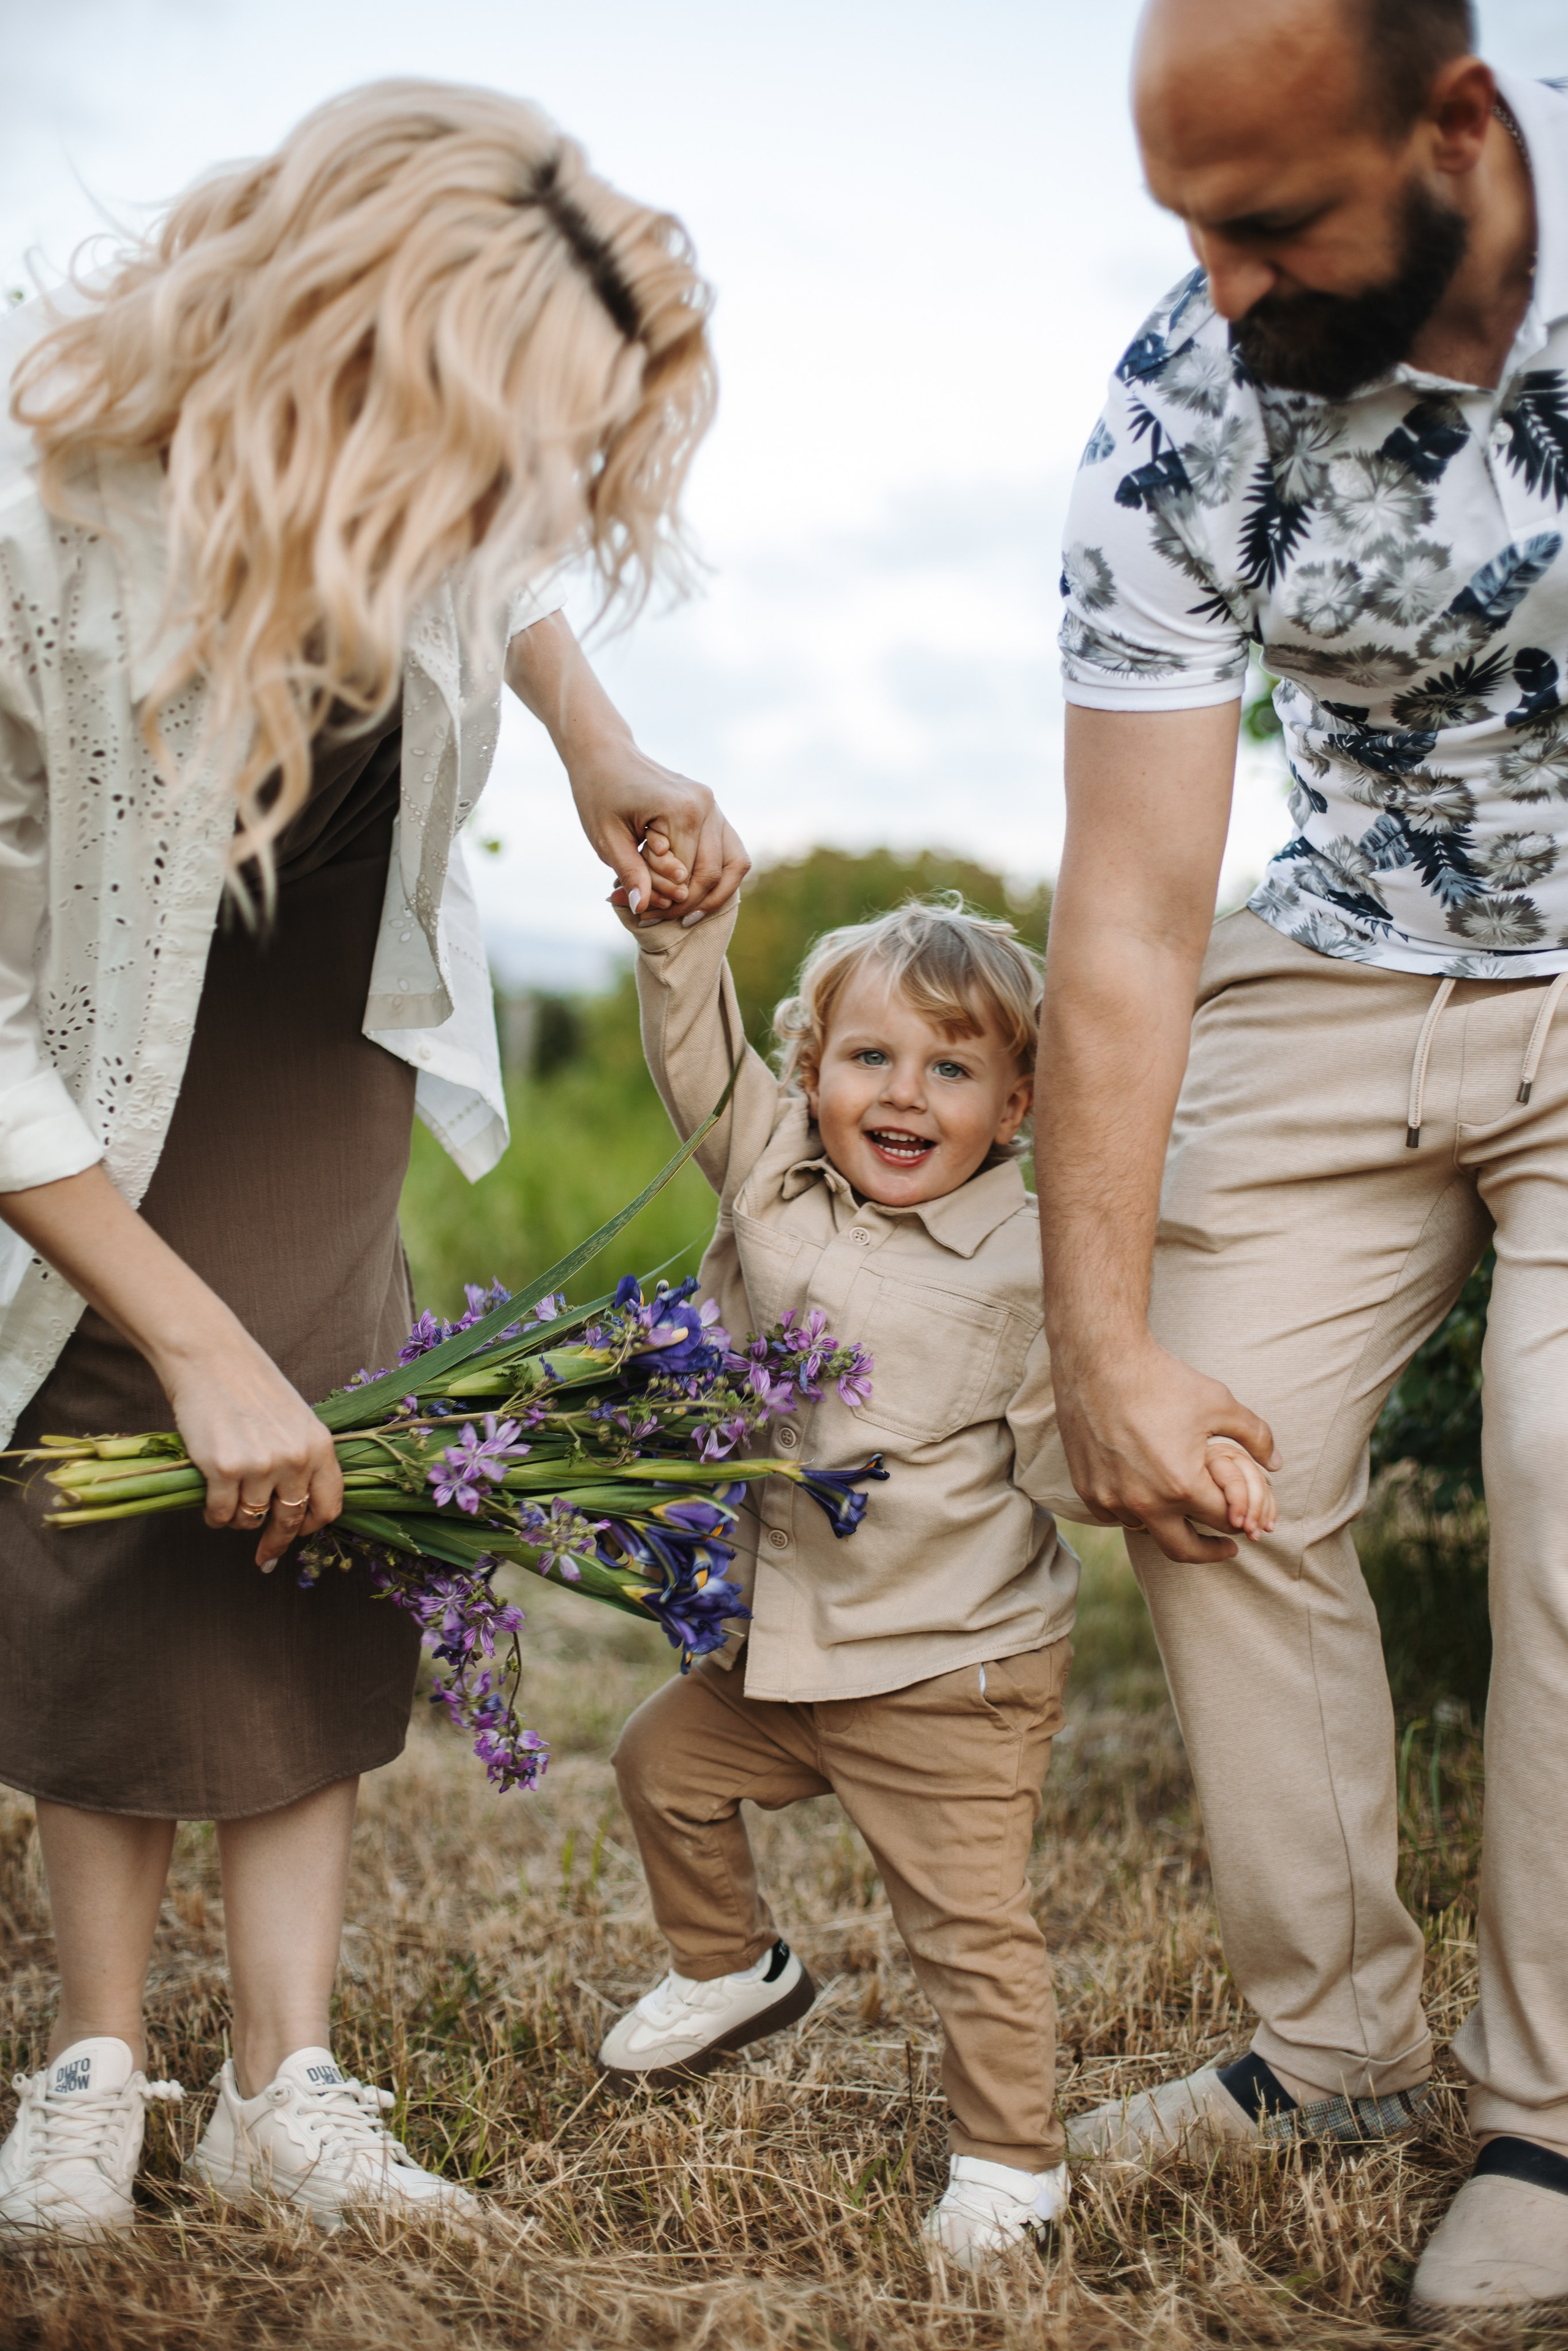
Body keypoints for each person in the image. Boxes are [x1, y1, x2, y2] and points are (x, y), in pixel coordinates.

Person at [0, 80, 745, 2241]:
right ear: (373, 347)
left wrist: (602, 747)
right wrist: (179, 1325)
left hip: (326, 996)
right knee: (105, 1475)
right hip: (86, 1057)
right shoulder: (46, 524)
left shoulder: (447, 491)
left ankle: (285, 2080)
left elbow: (507, 567)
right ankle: (94, 2053)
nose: (522, 498)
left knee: (329, 1471)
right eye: (505, 438)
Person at [1038, 0, 1568, 2320]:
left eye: (1265, 225)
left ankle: (1549, 2112)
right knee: (1213, 1437)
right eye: (1186, 228)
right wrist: (1100, 1341)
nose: (1219, 290)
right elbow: (1137, 908)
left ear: (1461, 126)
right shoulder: (1176, 412)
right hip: (1345, 961)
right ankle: (1331, 2043)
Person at [592, 886, 1274, 2268]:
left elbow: (1074, 1439)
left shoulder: (1037, 1264)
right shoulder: (772, 1177)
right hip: (777, 1649)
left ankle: (1010, 2163)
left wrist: (1186, 1466)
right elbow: (695, 1061)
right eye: (868, 1058)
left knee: (967, 1933)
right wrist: (678, 943)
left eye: (951, 1067)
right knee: (657, 1763)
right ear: (808, 1074)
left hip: (944, 1666)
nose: (903, 1094)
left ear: (1016, 1104)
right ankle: (732, 1966)